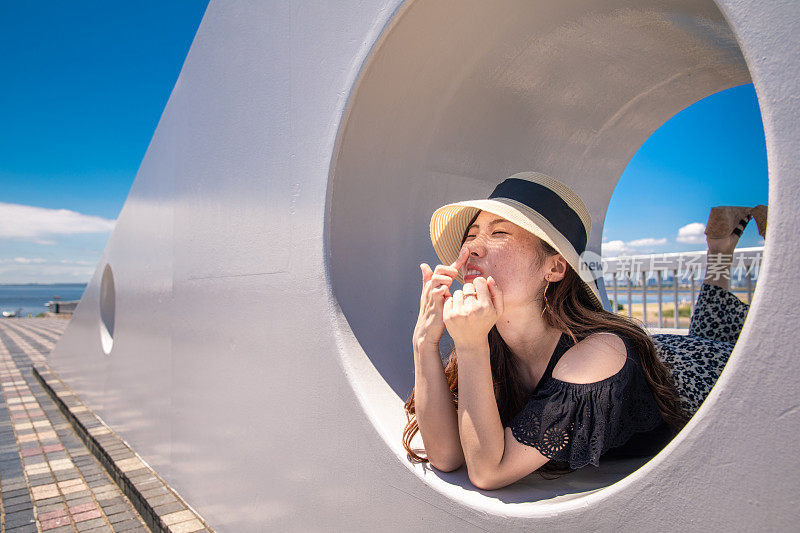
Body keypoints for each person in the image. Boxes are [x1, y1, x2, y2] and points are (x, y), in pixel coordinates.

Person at [402, 171, 766, 490]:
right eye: (471, 233)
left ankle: (727, 248)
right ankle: (721, 246)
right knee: (712, 324)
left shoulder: (596, 356)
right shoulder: (490, 345)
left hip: (700, 372)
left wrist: (470, 346)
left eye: (499, 233)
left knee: (734, 341)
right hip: (665, 354)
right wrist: (425, 340)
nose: (474, 247)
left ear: (555, 268)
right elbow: (447, 456)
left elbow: (488, 471)